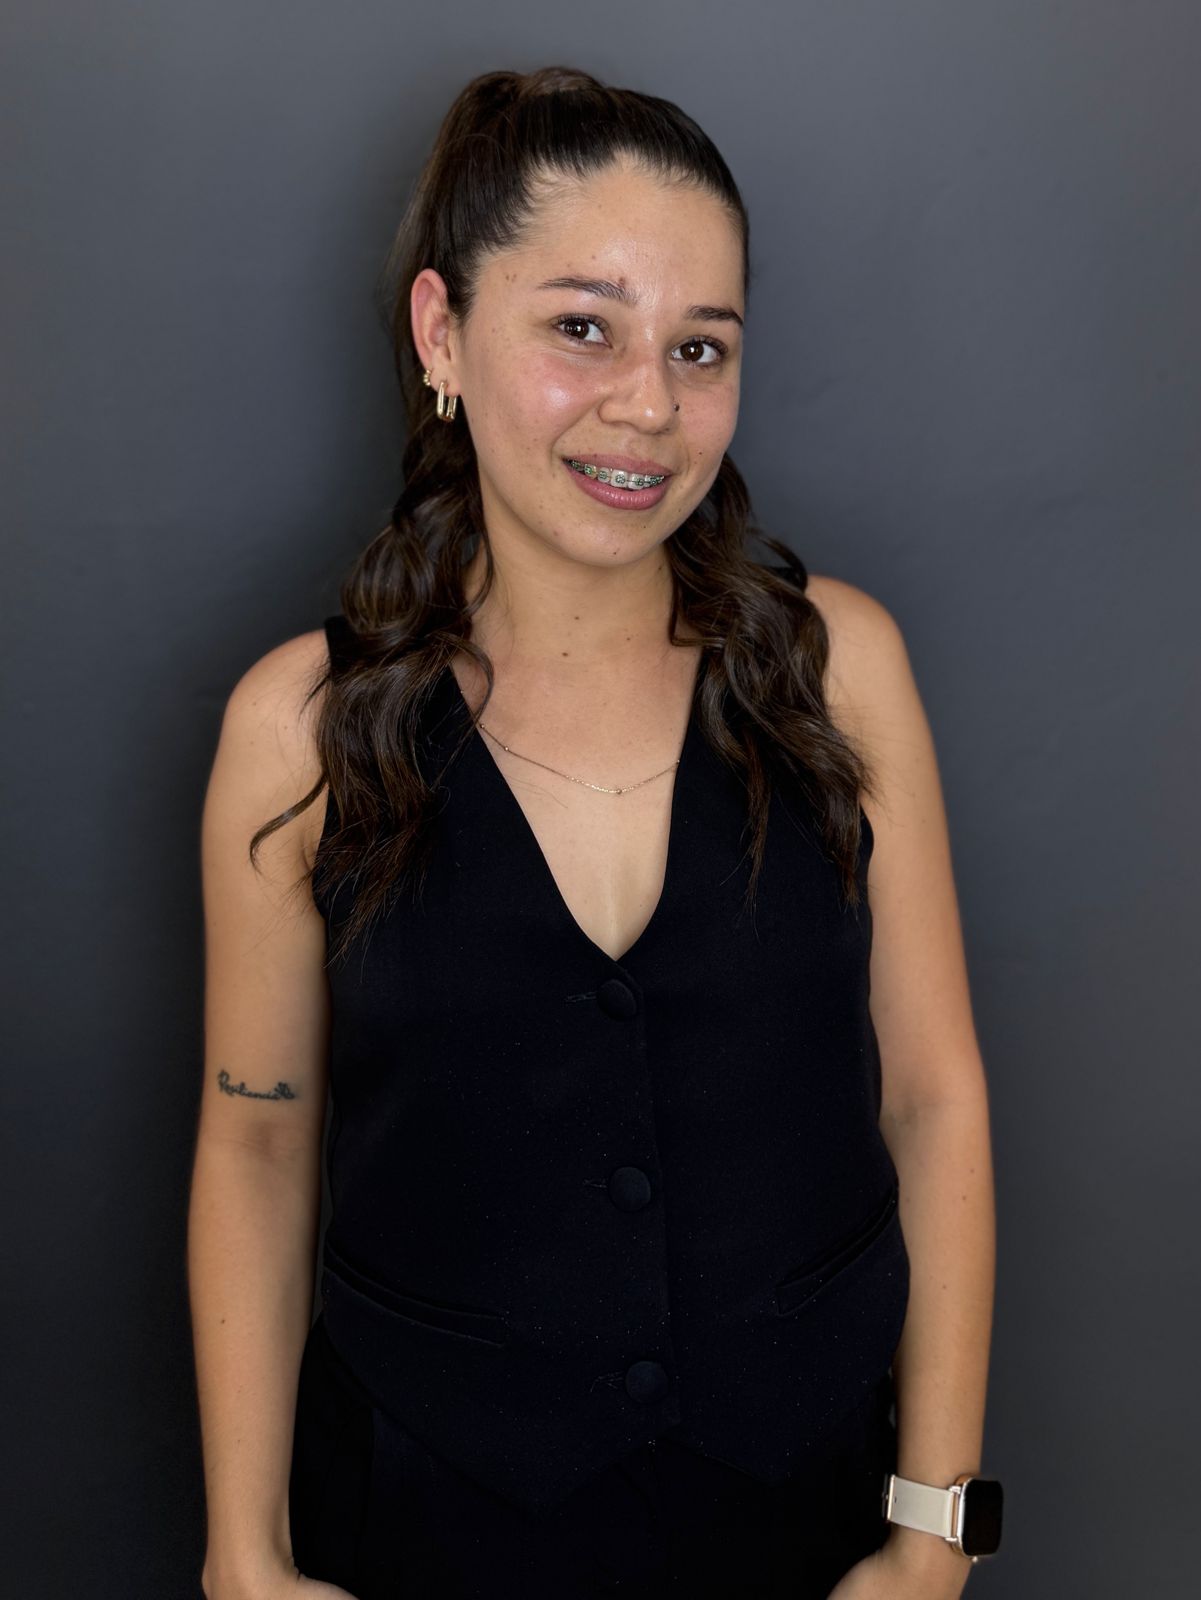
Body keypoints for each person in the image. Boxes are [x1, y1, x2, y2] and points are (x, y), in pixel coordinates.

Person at [189, 65, 998, 1600]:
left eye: (700, 347)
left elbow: (933, 1097)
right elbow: (257, 1138)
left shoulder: (840, 669)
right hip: (425, 1522)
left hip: (806, 1520)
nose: (647, 406)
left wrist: (933, 1532)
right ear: (442, 334)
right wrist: (244, 1553)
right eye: (582, 328)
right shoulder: (297, 729)